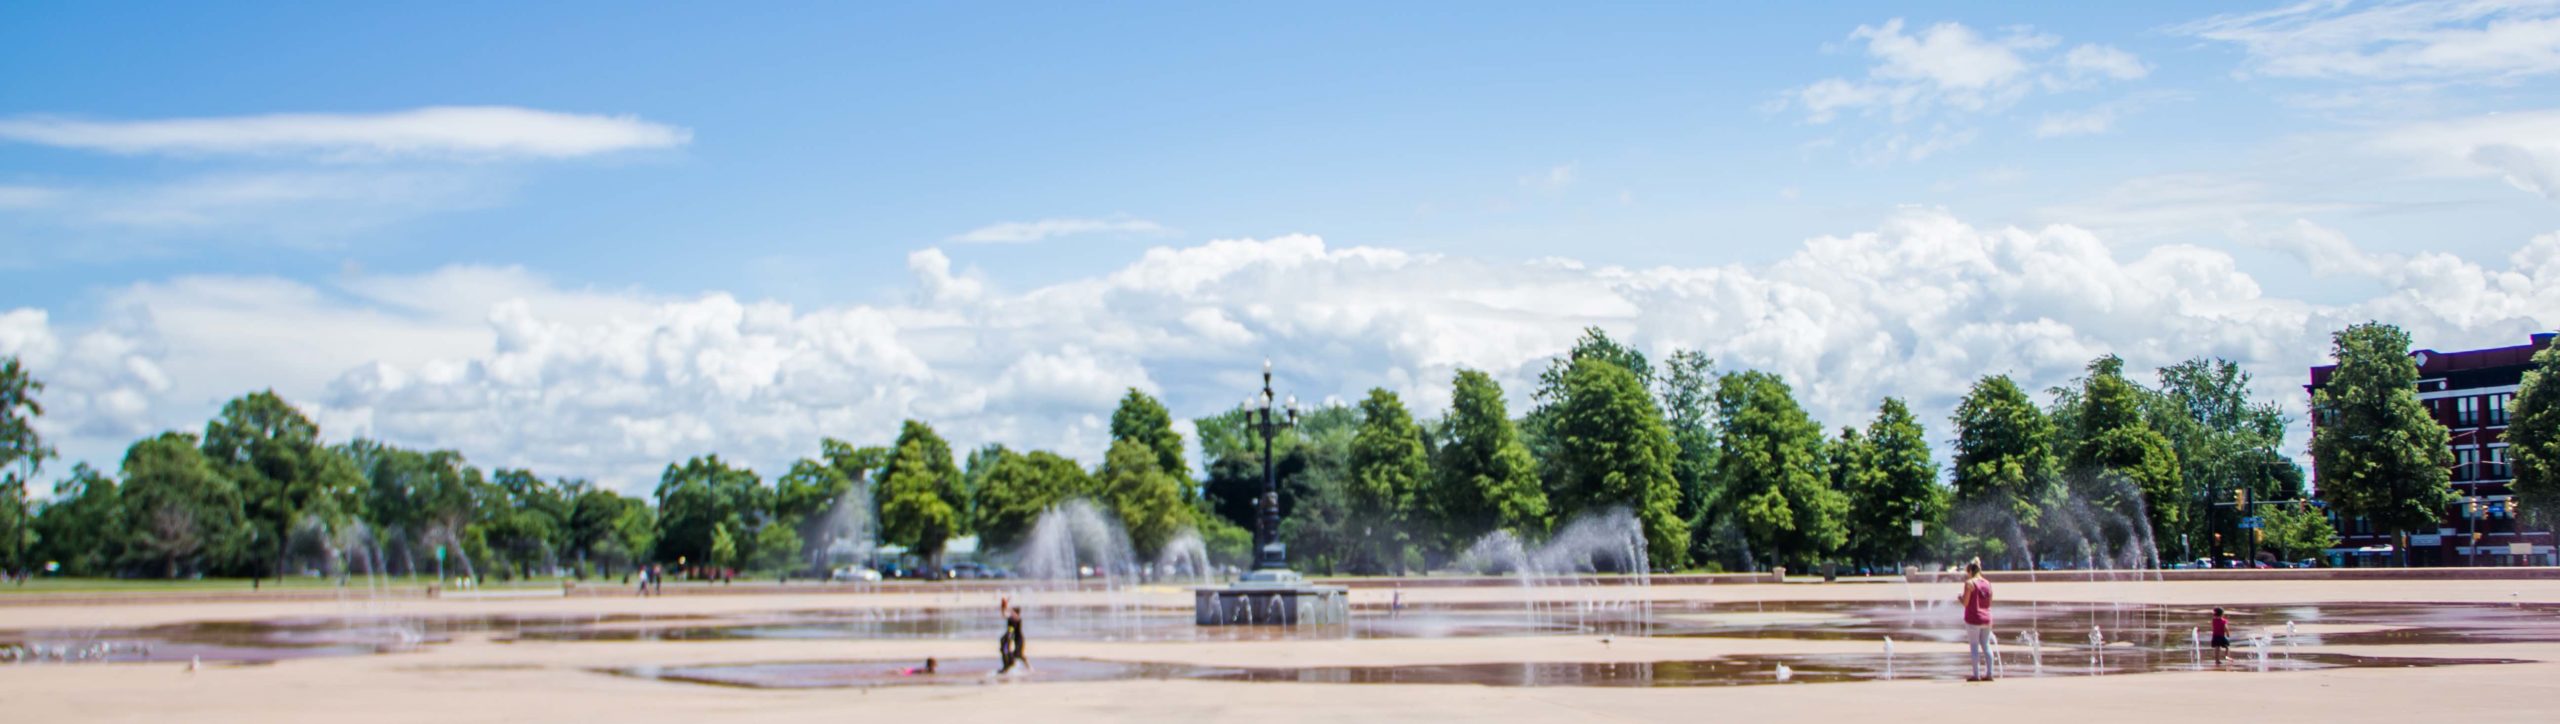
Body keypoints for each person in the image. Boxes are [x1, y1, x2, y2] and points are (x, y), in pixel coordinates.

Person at [1958, 559, 1995, 682]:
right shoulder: (1988, 583)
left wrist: (1960, 598)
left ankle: (1976, 674)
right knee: (1986, 645)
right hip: (1987, 618)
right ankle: (1990, 673)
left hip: (1973, 618)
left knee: (1974, 646)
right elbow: (1989, 603)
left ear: (1970, 571)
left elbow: (1966, 602)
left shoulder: (1969, 583)